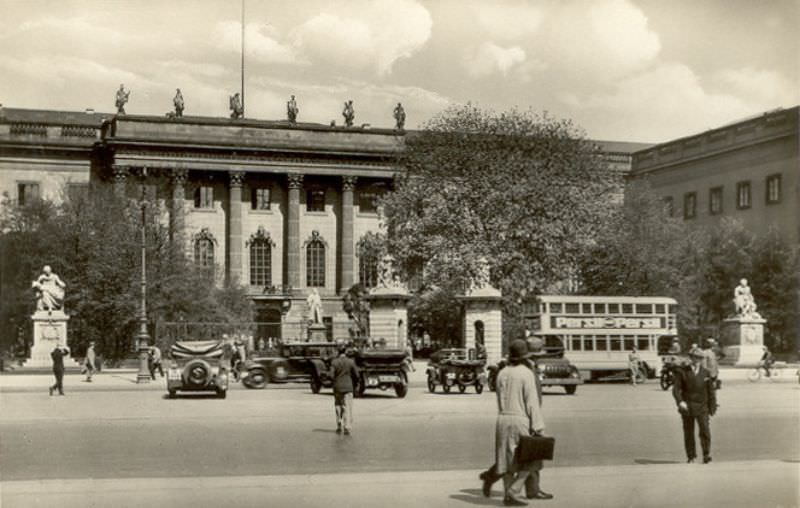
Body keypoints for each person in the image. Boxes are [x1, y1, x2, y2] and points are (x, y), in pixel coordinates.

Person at [480, 337, 550, 501]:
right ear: (525, 357)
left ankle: (508, 495)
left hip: (503, 418)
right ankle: (515, 489)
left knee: (506, 459)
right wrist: (538, 426)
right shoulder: (526, 374)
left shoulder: (502, 373)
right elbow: (531, 402)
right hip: (521, 418)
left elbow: (499, 397)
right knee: (532, 458)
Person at [672, 347, 717, 464]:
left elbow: (711, 391)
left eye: (700, 358)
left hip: (702, 407)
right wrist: (680, 402)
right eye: (695, 357)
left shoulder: (705, 372)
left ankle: (706, 455)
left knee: (705, 431)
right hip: (687, 406)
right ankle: (691, 456)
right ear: (690, 358)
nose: (697, 360)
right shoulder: (682, 371)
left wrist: (713, 406)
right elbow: (676, 389)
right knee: (688, 432)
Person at [330, 344, 359, 435]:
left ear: (338, 351)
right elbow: (357, 375)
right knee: (346, 407)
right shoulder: (351, 362)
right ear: (345, 351)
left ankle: (339, 424)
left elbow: (331, 375)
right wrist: (354, 383)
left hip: (337, 387)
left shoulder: (334, 362)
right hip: (348, 387)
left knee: (338, 406)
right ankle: (347, 427)